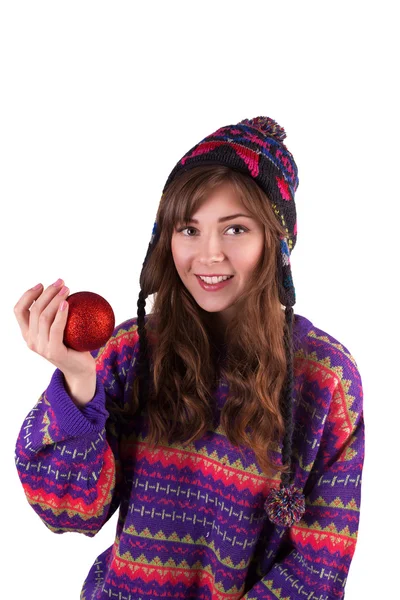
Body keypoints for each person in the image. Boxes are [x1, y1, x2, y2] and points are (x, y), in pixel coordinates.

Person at [14, 116, 365, 599]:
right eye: (189, 229)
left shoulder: (324, 379)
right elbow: (68, 510)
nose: (209, 255)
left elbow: (317, 569)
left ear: (276, 244)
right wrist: (78, 380)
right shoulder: (132, 353)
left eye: (235, 229)